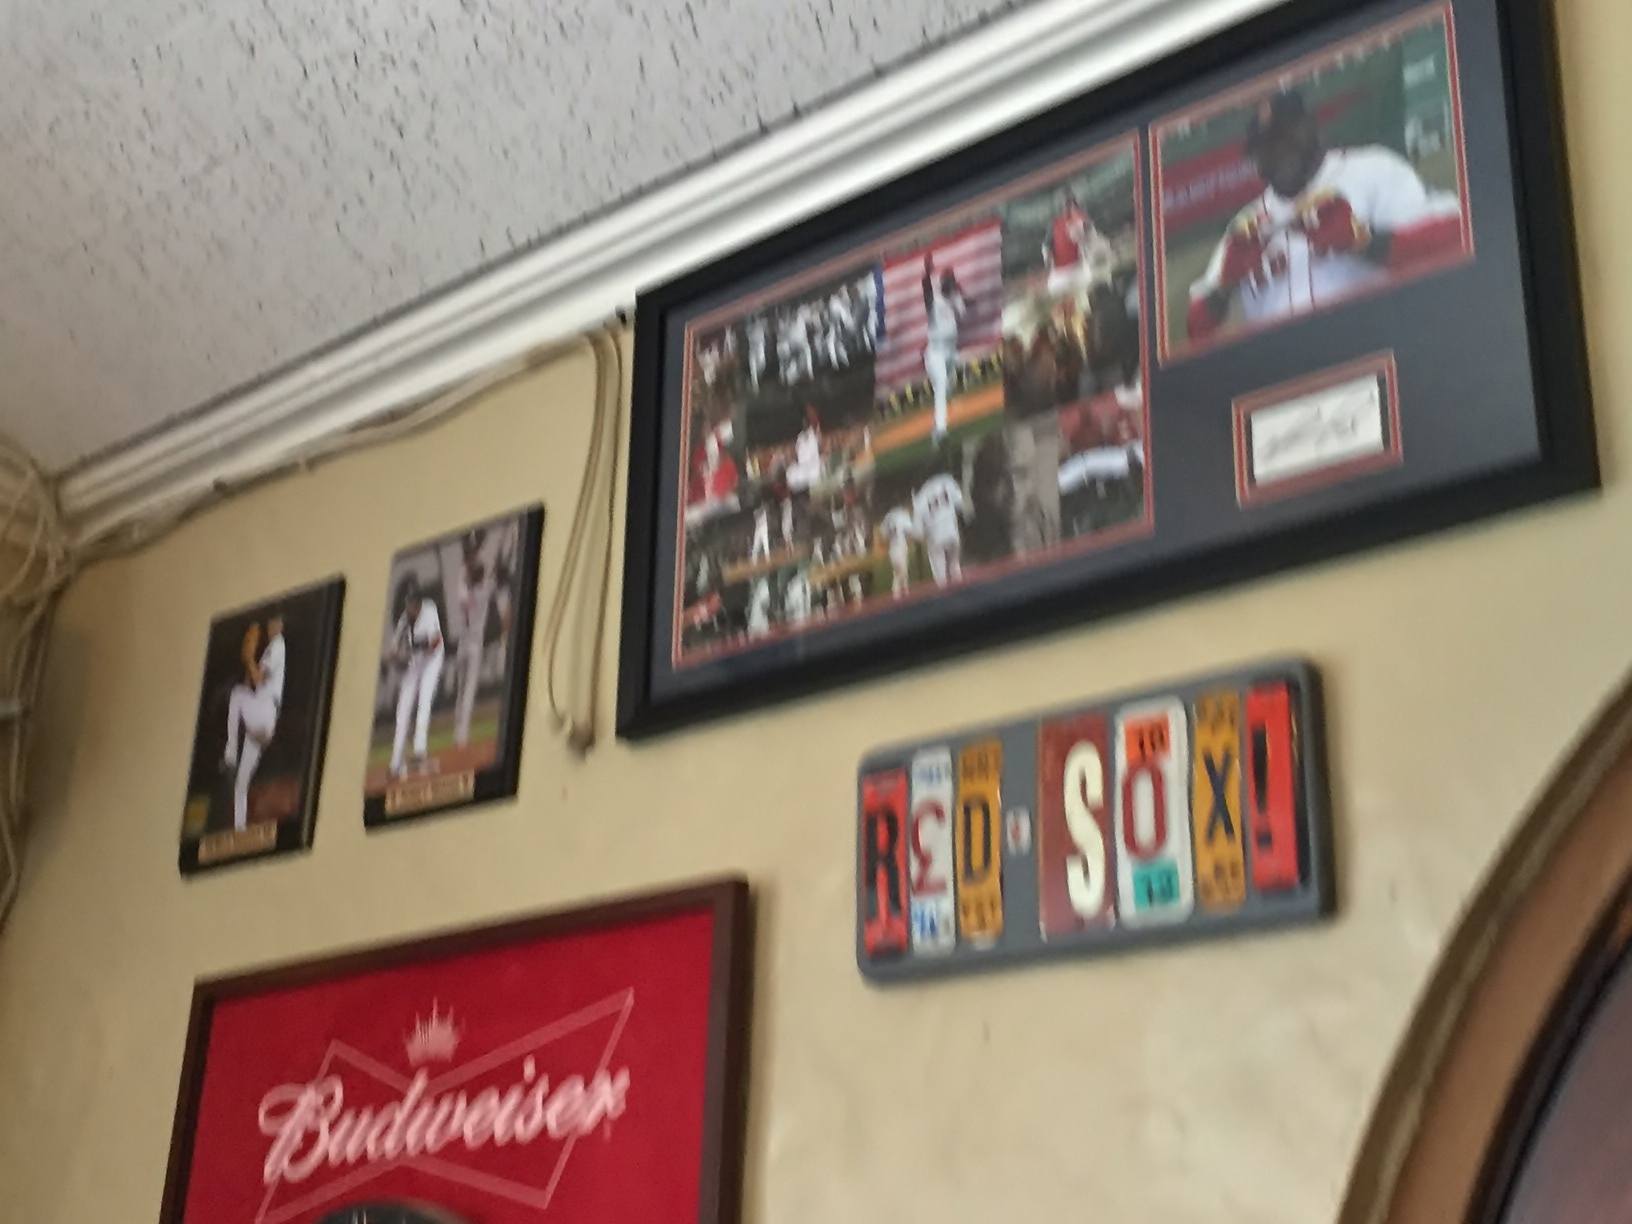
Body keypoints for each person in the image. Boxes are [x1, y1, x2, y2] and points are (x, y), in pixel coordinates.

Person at [1188, 89, 1465, 342]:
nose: (1278, 152)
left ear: (1310, 124)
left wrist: (1366, 243)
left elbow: (1457, 235)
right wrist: (1223, 288)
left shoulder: (1372, 169)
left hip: (1374, 347)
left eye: (1286, 135)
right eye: (1266, 146)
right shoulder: (1247, 228)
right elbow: (1195, 329)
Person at [221, 611, 286, 831]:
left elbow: (258, 679)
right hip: (259, 719)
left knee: (236, 695)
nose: (271, 627)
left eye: (274, 622)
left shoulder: (277, 645)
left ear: (280, 624)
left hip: (265, 710)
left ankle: (231, 753)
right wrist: (247, 660)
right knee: (241, 785)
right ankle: (240, 831)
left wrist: (249, 659)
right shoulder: (267, 650)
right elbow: (252, 683)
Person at [450, 530, 505, 750]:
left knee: (460, 692)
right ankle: (462, 736)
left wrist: (473, 550)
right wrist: (485, 549)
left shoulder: (462, 589)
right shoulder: (484, 590)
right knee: (468, 691)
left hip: (462, 644)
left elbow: (469, 571)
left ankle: (457, 734)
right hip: (473, 646)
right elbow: (490, 572)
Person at [390, 575, 444, 779]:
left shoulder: (429, 610)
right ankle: (396, 763)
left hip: (432, 660)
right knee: (403, 709)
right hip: (415, 662)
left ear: (419, 602)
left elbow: (435, 643)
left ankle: (419, 750)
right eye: (408, 603)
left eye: (413, 603)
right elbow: (394, 651)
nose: (410, 607)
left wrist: (411, 648)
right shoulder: (404, 620)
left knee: (424, 700)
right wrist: (398, 656)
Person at [921, 254, 967, 443]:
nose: (949, 285)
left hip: (950, 352)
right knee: (941, 386)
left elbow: (962, 313)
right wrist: (926, 274)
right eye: (947, 282)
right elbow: (927, 293)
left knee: (946, 388)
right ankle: (941, 430)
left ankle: (936, 428)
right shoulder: (935, 302)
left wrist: (959, 296)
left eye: (951, 281)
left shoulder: (956, 300)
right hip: (936, 353)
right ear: (941, 285)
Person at [1043, 189, 1117, 298]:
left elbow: (1087, 232)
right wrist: (1047, 256)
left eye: (1071, 203)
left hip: (1079, 268)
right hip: (1060, 272)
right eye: (1066, 204)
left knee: (1091, 286)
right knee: (1054, 292)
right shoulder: (1055, 225)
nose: (1069, 207)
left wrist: (1084, 228)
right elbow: (1047, 245)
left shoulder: (1080, 217)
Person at [913, 466, 968, 586]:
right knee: (955, 567)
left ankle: (944, 590)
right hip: (952, 532)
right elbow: (960, 503)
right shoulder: (947, 480)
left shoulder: (920, 496)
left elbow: (918, 533)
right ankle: (961, 589)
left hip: (936, 538)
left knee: (941, 577)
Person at [879, 504, 916, 598]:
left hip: (892, 549)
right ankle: (897, 594)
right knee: (901, 572)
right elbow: (909, 531)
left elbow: (883, 535)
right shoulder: (902, 514)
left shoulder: (888, 516)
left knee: (901, 572)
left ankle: (905, 592)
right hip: (900, 546)